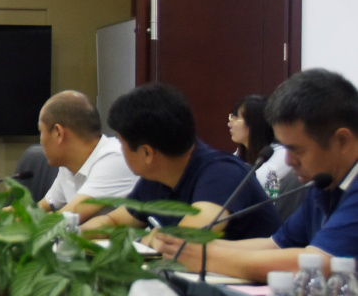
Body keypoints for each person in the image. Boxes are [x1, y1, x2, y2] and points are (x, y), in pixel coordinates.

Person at [149, 69, 358, 282]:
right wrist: (187, 245)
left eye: (297, 150)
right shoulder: (324, 183)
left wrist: (207, 257)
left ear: (341, 141)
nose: (289, 161)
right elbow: (275, 245)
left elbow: (317, 263)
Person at [83, 83, 280, 239]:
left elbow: (186, 241)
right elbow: (113, 221)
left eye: (121, 142)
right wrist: (74, 236)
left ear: (147, 153)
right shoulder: (156, 178)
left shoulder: (222, 174)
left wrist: (152, 239)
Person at [36, 90, 137, 223]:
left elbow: (64, 219)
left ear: (58, 133)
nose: (41, 140)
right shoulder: (68, 165)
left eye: (41, 131)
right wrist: (9, 214)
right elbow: (42, 207)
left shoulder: (114, 157)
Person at [228, 94, 290, 194]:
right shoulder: (239, 154)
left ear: (254, 122)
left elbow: (253, 187)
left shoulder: (283, 154)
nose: (229, 124)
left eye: (236, 117)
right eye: (231, 117)